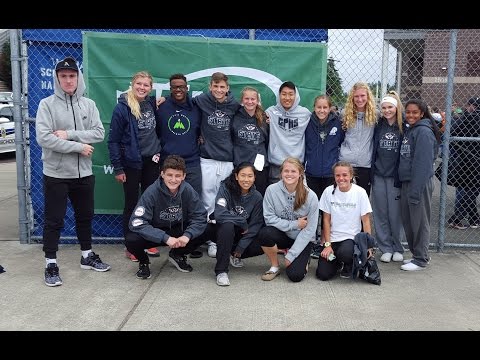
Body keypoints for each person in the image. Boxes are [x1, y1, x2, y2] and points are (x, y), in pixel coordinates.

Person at [35, 57, 110, 287]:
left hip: (83, 174)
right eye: (64, 76)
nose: (68, 80)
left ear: (79, 77)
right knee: (54, 220)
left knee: (85, 216)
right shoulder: (46, 104)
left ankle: (87, 255)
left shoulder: (89, 104)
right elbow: (44, 138)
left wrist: (70, 134)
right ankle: (50, 263)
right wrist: (78, 147)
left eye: (72, 75)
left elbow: (98, 133)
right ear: (57, 79)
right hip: (56, 174)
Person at [108, 71, 162, 262]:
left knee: (150, 203)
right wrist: (118, 167)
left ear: (151, 87)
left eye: (146, 85)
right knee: (132, 205)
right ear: (132, 84)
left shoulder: (151, 104)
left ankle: (148, 241)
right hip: (131, 163)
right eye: (139, 84)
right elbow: (113, 140)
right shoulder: (122, 108)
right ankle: (131, 246)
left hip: (151, 162)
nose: (142, 87)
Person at [125, 155, 207, 279]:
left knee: (208, 229)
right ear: (162, 174)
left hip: (178, 230)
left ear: (184, 176)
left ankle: (177, 255)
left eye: (178, 176)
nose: (173, 180)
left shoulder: (188, 190)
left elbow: (200, 216)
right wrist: (165, 238)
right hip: (156, 232)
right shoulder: (151, 192)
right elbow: (136, 222)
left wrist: (187, 235)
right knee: (131, 239)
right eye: (170, 175)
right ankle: (143, 262)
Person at [193, 72, 240, 258]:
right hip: (207, 158)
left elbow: (250, 113)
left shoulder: (235, 105)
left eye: (222, 87)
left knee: (224, 200)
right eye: (215, 86)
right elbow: (182, 103)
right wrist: (161, 101)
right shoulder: (201, 100)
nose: (219, 90)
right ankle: (205, 237)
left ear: (228, 88)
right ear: (210, 86)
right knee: (206, 198)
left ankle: (217, 240)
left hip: (227, 159)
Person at [258, 157, 319, 282]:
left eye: (293, 171)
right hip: (283, 235)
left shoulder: (311, 196)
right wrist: (295, 224)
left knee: (295, 276)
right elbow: (269, 219)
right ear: (281, 173)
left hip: (303, 238)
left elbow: (310, 230)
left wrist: (292, 255)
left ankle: (302, 257)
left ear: (300, 174)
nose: (289, 174)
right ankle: (275, 266)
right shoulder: (271, 190)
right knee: (265, 233)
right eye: (286, 171)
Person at [398, 99, 441, 271]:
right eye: (408, 112)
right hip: (409, 182)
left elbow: (422, 165)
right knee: (410, 221)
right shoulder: (412, 130)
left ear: (422, 113)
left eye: (414, 112)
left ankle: (421, 258)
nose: (410, 115)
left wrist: (415, 191)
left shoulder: (423, 132)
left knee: (420, 221)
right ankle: (417, 255)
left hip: (419, 184)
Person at [209, 162, 265, 286]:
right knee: (226, 225)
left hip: (240, 234)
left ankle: (234, 254)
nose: (246, 179)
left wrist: (241, 247)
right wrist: (242, 221)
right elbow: (219, 213)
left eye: (250, 176)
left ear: (254, 178)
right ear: (236, 176)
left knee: (264, 240)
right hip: (221, 230)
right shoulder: (225, 188)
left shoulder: (257, 197)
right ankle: (221, 271)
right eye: (243, 175)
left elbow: (256, 224)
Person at [316, 161, 373, 281]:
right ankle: (337, 264)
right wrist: (327, 245)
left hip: (351, 240)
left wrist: (368, 247)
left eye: (345, 175)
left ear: (351, 175)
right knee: (323, 275)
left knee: (345, 252)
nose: (341, 178)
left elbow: (366, 221)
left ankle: (349, 264)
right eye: (337, 175)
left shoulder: (360, 193)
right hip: (333, 240)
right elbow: (326, 220)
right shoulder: (328, 191)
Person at [304, 94, 345, 258]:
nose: (321, 110)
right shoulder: (307, 122)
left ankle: (326, 242)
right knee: (313, 208)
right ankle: (312, 242)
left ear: (330, 108)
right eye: (319, 107)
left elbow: (342, 143)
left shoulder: (339, 124)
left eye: (325, 107)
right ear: (314, 108)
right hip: (312, 172)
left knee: (328, 210)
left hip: (329, 174)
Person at [371, 92, 406, 263]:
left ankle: (398, 247)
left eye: (390, 107)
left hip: (395, 177)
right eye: (384, 107)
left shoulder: (404, 126)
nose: (387, 110)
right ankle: (385, 247)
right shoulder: (378, 125)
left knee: (395, 214)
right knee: (381, 213)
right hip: (379, 175)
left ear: (397, 107)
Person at [156, 73, 202, 197]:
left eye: (181, 86)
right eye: (174, 87)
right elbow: (157, 132)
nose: (178, 90)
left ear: (187, 88)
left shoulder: (196, 107)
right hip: (168, 162)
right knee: (167, 201)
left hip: (191, 163)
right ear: (170, 89)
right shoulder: (161, 107)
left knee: (194, 200)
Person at [265, 81, 311, 184]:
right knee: (275, 197)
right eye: (284, 94)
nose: (287, 98)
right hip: (276, 166)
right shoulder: (270, 112)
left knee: (298, 198)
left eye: (291, 94)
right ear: (279, 95)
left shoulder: (305, 114)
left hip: (297, 165)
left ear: (296, 95)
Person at [339, 82, 379, 197]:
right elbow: (341, 137)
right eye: (356, 96)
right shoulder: (345, 114)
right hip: (346, 161)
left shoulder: (375, 115)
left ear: (368, 97)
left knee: (362, 198)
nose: (360, 99)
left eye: (362, 96)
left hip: (365, 163)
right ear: (352, 97)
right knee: (345, 196)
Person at [447, 96, 480, 229]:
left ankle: (473, 218)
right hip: (472, 159)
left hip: (465, 159)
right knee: (471, 189)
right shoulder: (467, 118)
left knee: (468, 188)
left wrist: (460, 149)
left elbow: (453, 134)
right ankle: (457, 218)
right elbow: (453, 134)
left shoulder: (465, 118)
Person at [232, 86, 269, 196]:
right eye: (246, 99)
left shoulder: (264, 118)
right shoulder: (235, 116)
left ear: (257, 101)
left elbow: (268, 140)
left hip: (259, 167)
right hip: (240, 165)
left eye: (253, 99)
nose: (250, 102)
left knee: (259, 196)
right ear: (242, 100)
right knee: (240, 196)